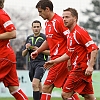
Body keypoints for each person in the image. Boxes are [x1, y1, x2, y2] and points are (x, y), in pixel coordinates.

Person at [44, 8, 98, 100]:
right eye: (63, 17)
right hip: (80, 69)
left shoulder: (79, 32)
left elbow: (94, 48)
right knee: (88, 96)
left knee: (65, 94)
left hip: (80, 69)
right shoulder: (70, 34)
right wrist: (55, 61)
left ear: (75, 19)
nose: (64, 19)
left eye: (67, 17)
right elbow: (69, 53)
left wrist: (90, 66)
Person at [31, 0, 80, 100]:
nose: (39, 14)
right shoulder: (48, 23)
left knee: (46, 88)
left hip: (60, 60)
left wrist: (69, 59)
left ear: (47, 9)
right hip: (57, 59)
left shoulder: (59, 21)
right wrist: (38, 51)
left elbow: (70, 40)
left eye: (40, 11)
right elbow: (49, 40)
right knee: (67, 92)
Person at [0, 0, 28, 100]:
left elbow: (13, 33)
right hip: (6, 56)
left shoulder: (2, 15)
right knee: (14, 88)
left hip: (3, 56)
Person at [22, 20, 49, 100]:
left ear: (41, 28)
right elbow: (23, 54)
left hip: (41, 63)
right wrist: (27, 49)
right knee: (38, 85)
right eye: (34, 27)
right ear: (32, 28)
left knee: (34, 84)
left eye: (38, 27)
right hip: (32, 64)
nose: (36, 28)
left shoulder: (44, 38)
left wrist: (39, 50)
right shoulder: (29, 38)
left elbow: (51, 53)